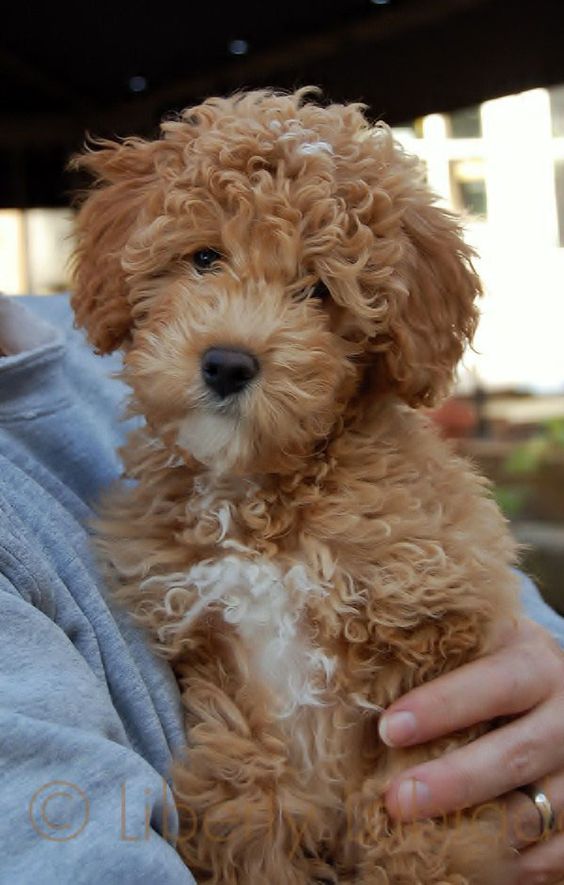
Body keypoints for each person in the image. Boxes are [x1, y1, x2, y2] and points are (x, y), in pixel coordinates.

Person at [1, 292, 563, 884]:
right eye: (205, 260)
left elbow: (516, 625)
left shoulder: (72, 329)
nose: (238, 331)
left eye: (316, 292)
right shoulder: (124, 330)